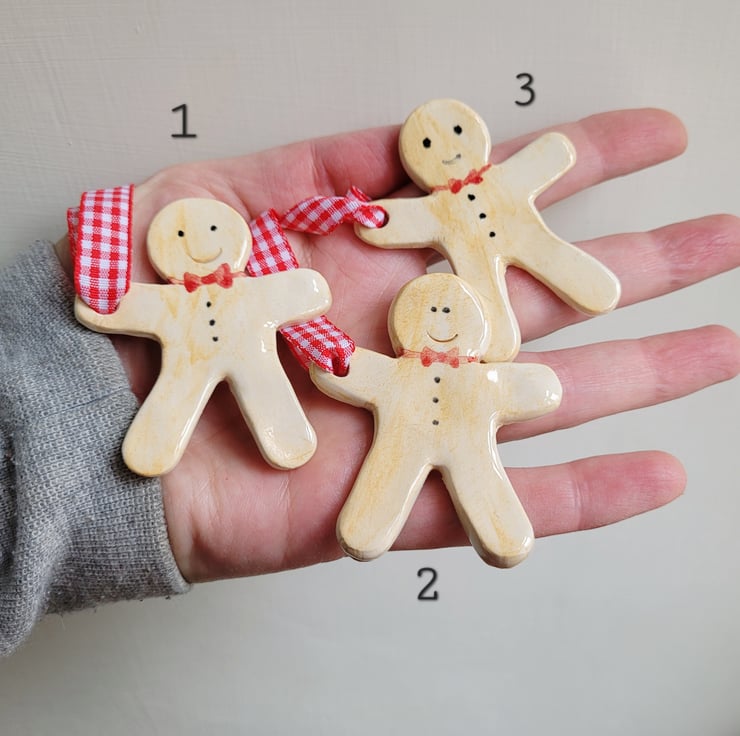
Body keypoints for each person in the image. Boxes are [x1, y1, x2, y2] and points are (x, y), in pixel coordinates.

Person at [1, 108, 738, 655]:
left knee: (480, 450)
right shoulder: (224, 293)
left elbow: (523, 381)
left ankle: (466, 511)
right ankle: (284, 462)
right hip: (225, 354)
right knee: (199, 405)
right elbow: (329, 321)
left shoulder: (472, 356)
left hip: (450, 382)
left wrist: (520, 379)